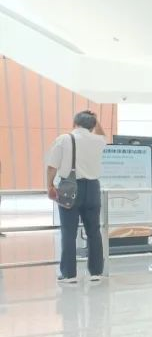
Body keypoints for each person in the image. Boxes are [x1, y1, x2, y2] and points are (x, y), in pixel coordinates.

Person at [45, 110, 108, 284]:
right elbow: (103, 134)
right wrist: (96, 120)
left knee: (69, 232)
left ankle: (69, 274)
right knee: (94, 231)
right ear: (93, 126)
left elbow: (52, 166)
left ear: (74, 123)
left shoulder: (64, 139)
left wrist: (49, 186)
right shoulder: (98, 140)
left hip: (69, 187)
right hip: (93, 188)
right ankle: (96, 272)